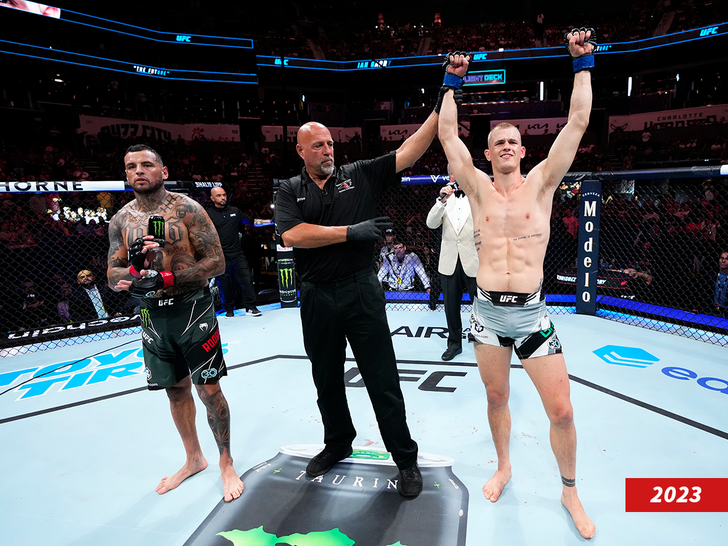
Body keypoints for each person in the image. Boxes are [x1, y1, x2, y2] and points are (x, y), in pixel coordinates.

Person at [438, 29, 597, 539]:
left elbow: (577, 121)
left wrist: (582, 63)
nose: (505, 147)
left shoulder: (544, 182)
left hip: (532, 315)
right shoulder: (478, 189)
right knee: (496, 398)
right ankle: (504, 466)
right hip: (486, 315)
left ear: (523, 150)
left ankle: (569, 489)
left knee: (563, 411)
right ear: (487, 154)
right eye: (497, 142)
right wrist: (450, 82)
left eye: (512, 141)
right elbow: (446, 137)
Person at [275, 117, 441, 499]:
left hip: (360, 290)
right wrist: (352, 232)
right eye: (318, 145)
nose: (328, 150)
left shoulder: (359, 174)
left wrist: (443, 97)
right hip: (316, 293)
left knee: (382, 379)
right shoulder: (289, 189)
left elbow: (410, 151)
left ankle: (405, 459)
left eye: (330, 143)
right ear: (301, 151)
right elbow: (291, 234)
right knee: (326, 378)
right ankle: (337, 443)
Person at [107, 144, 244, 503]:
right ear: (126, 174)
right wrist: (135, 270)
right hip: (153, 316)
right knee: (175, 390)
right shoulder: (121, 220)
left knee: (209, 388)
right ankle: (193, 458)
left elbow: (217, 262)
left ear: (162, 172)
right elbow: (111, 274)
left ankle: (225, 461)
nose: (139, 170)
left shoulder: (188, 210)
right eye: (131, 165)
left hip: (191, 309)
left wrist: (168, 278)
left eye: (147, 164)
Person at [426, 174, 478, 361]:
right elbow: (431, 224)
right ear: (451, 176)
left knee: (480, 305)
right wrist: (441, 201)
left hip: (473, 259)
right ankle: (454, 344)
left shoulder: (477, 194)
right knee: (451, 306)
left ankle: (484, 341)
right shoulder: (444, 198)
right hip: (449, 261)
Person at [206, 186, 262, 317]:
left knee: (247, 279)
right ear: (212, 198)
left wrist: (271, 222)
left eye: (224, 195)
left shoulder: (234, 211)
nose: (223, 198)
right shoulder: (208, 214)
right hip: (221, 255)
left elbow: (252, 222)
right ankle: (229, 309)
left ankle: (251, 306)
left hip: (237, 253)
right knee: (224, 283)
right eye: (219, 195)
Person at [714, 251, 728, 316]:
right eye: (722, 258)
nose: (723, 260)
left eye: (727, 259)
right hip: (712, 309)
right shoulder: (712, 275)